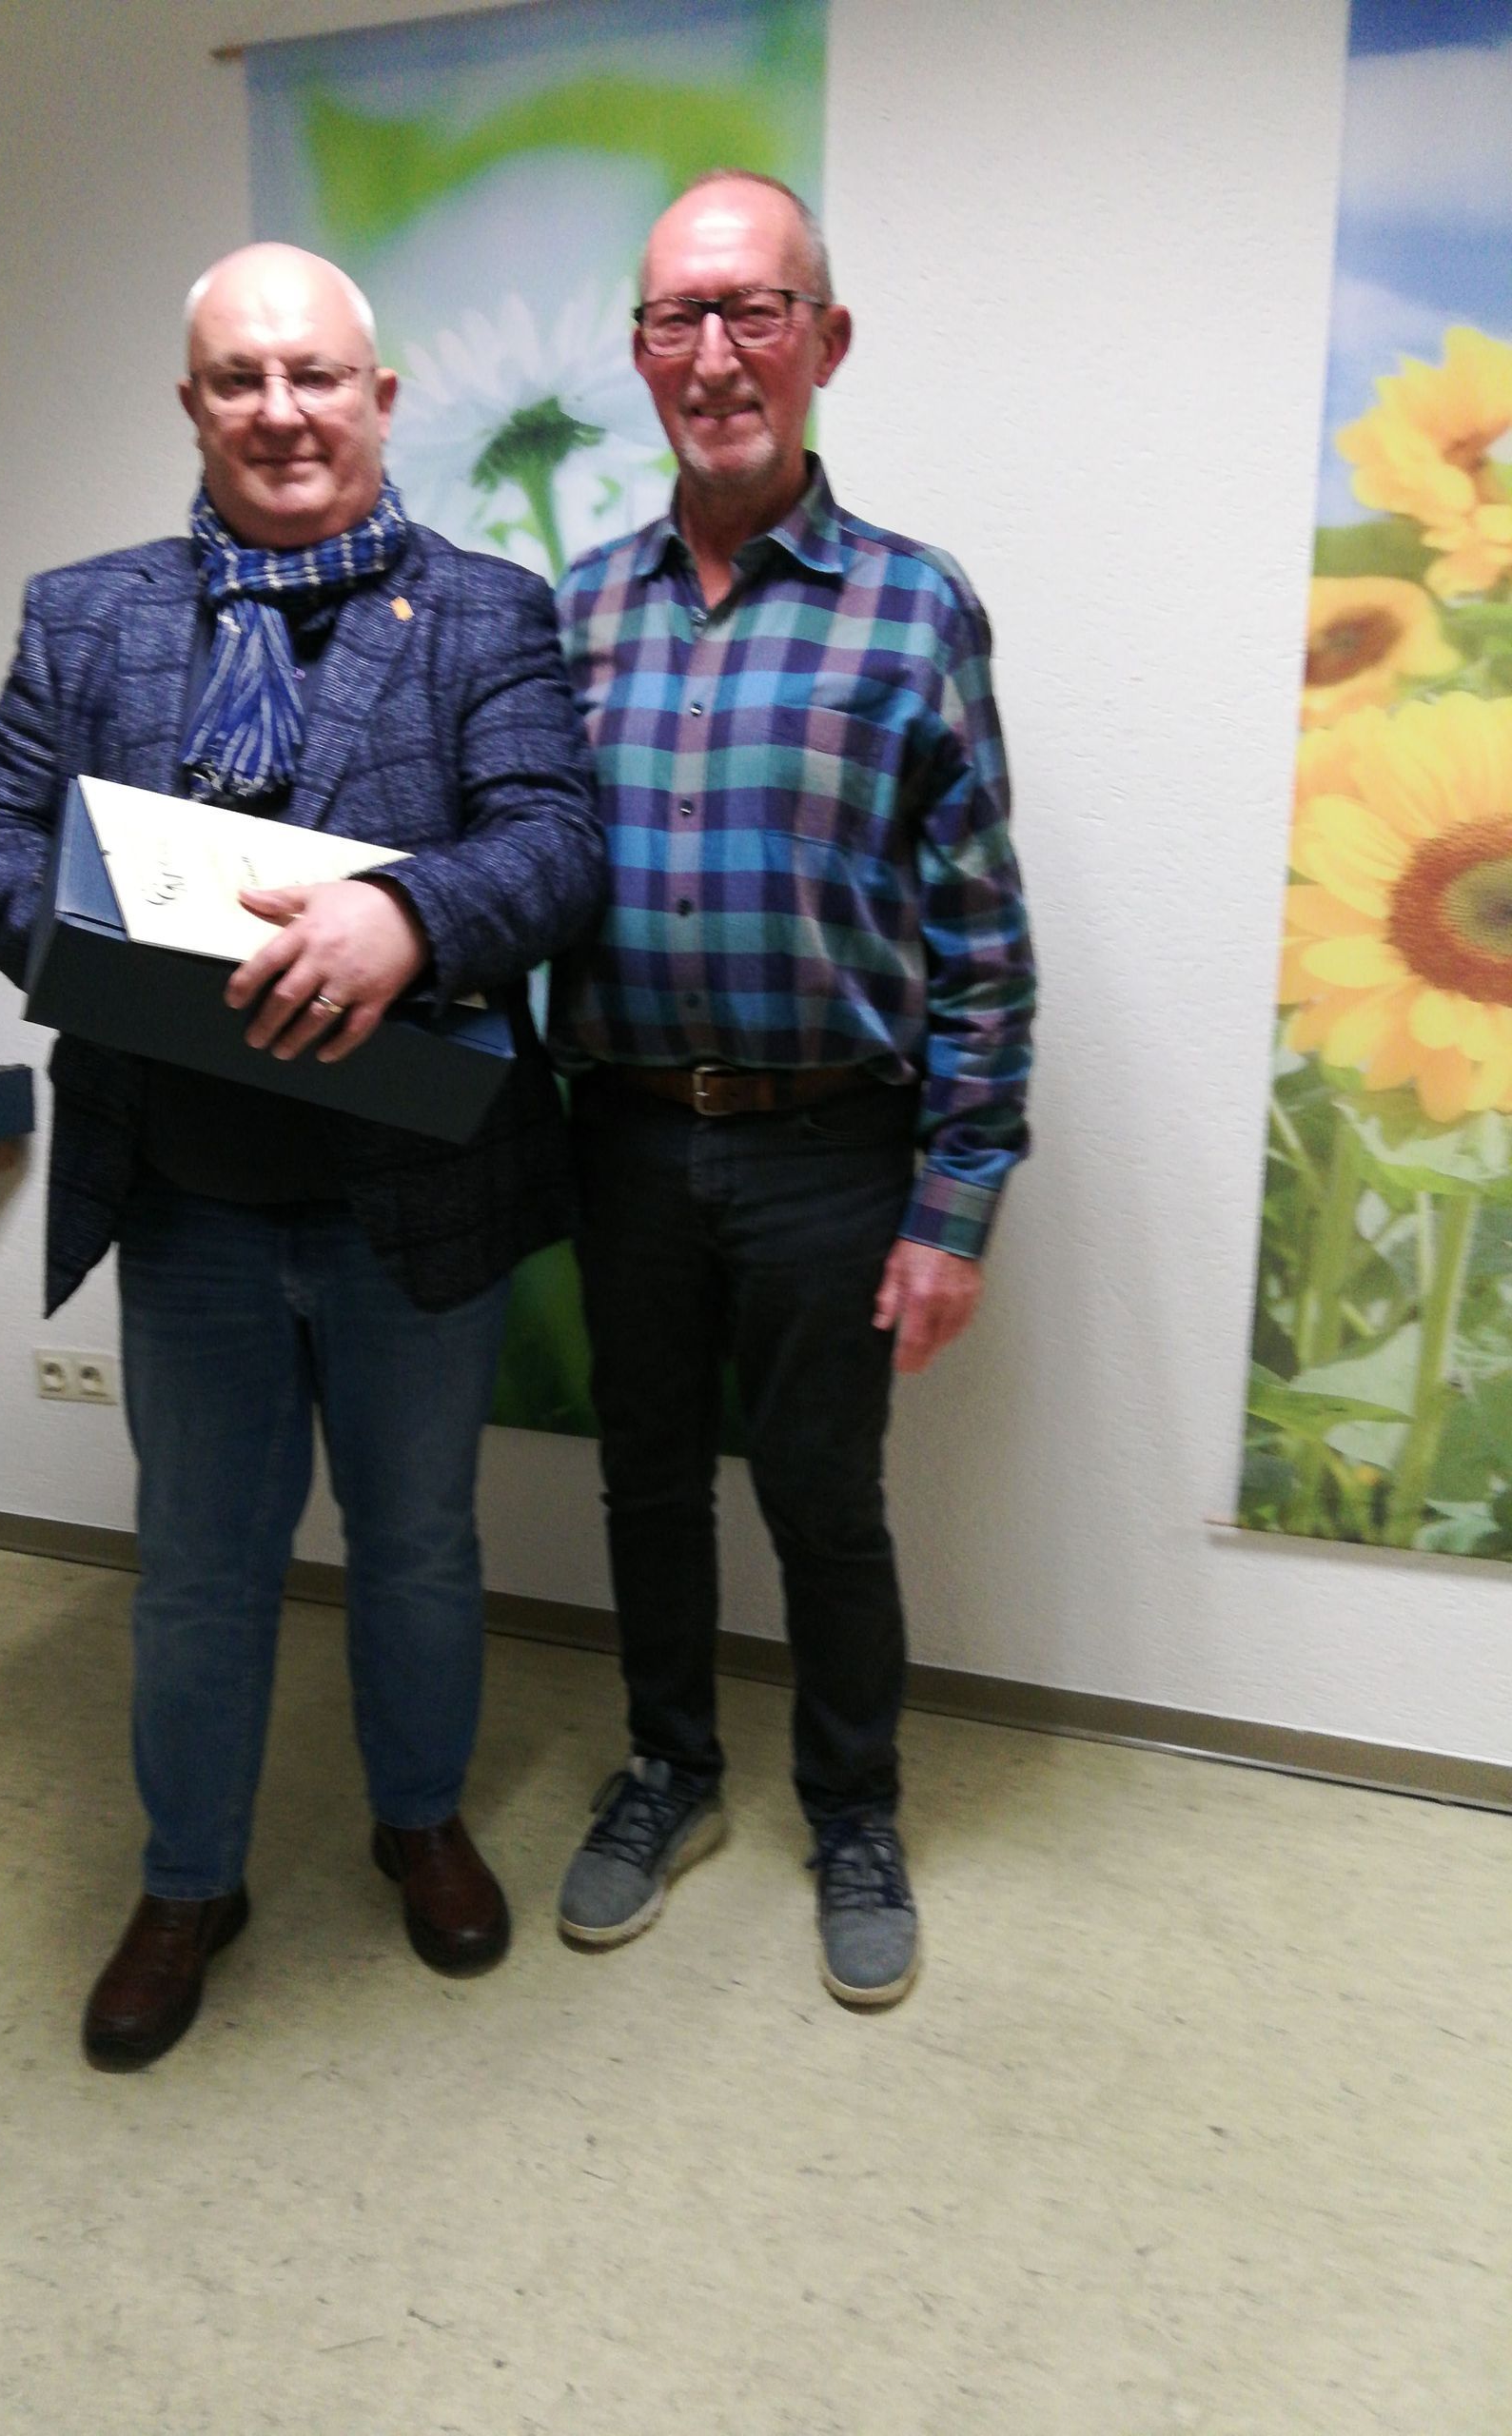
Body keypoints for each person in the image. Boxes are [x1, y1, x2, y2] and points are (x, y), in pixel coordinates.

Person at [0, 243, 604, 2069]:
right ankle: (187, 1882)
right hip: (189, 1204)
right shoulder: (87, 617)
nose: (282, 410)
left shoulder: (487, 613)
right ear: (193, 405)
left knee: (419, 1545)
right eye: (241, 378)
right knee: (199, 1567)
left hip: (412, 1199)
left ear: (381, 398)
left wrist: (414, 917)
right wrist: (94, 944)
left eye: (315, 375)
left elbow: (554, 839)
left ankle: (419, 1819)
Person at [549, 172, 1035, 2010]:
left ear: (825, 341)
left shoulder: (917, 610)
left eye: (754, 311)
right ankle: (669, 1767)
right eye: (678, 317)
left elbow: (982, 933)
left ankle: (854, 1810)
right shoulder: (571, 614)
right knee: (647, 1487)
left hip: (834, 1148)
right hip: (620, 1138)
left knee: (827, 1505)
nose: (715, 355)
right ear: (640, 356)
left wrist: (955, 1206)